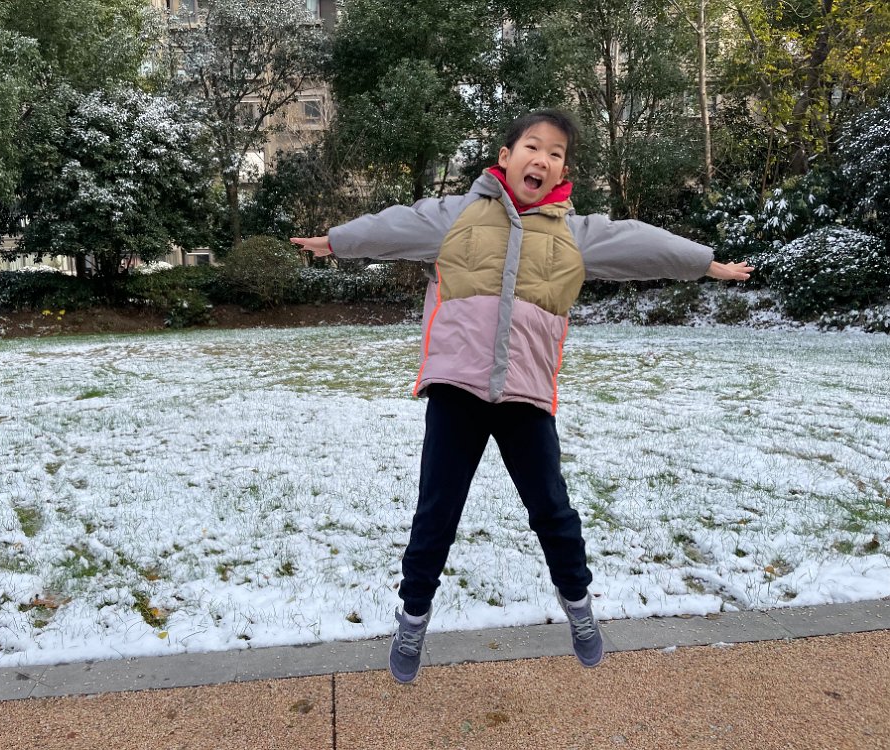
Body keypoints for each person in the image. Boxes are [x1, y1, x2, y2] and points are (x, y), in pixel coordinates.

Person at [292, 108, 753, 684]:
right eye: (533, 146)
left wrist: (706, 264)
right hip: (457, 390)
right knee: (436, 514)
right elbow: (398, 226)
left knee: (553, 511)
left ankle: (579, 608)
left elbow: (641, 243)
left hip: (526, 396)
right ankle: (412, 619)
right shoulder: (457, 216)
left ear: (563, 171)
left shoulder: (574, 234)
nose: (543, 159)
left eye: (556, 154)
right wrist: (338, 241)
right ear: (506, 157)